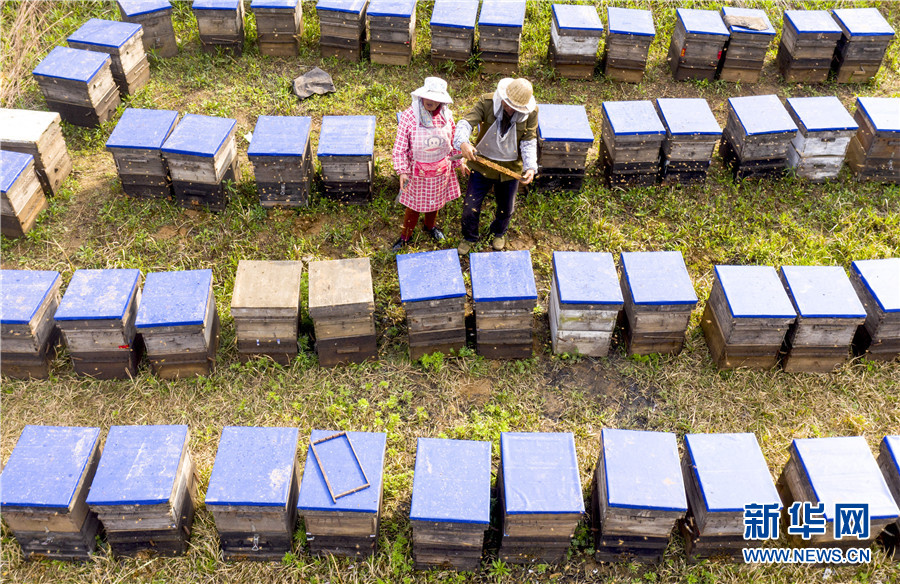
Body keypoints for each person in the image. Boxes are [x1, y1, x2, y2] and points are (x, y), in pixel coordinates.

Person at [452, 77, 538, 254]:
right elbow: (466, 123)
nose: (509, 109)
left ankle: (499, 232)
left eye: (515, 107)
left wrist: (530, 166)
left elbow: (529, 140)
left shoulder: (532, 112)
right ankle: (469, 236)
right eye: (508, 104)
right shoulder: (487, 102)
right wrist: (463, 143)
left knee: (506, 207)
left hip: (510, 169)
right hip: (481, 164)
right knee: (470, 205)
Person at [390, 77, 468, 252]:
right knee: (413, 206)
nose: (431, 102)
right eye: (428, 98)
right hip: (416, 171)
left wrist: (460, 161)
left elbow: (454, 141)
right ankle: (406, 236)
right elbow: (400, 147)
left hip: (441, 170)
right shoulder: (409, 116)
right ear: (421, 97)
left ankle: (430, 226)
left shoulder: (447, 117)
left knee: (436, 202)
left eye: (435, 99)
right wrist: (402, 171)